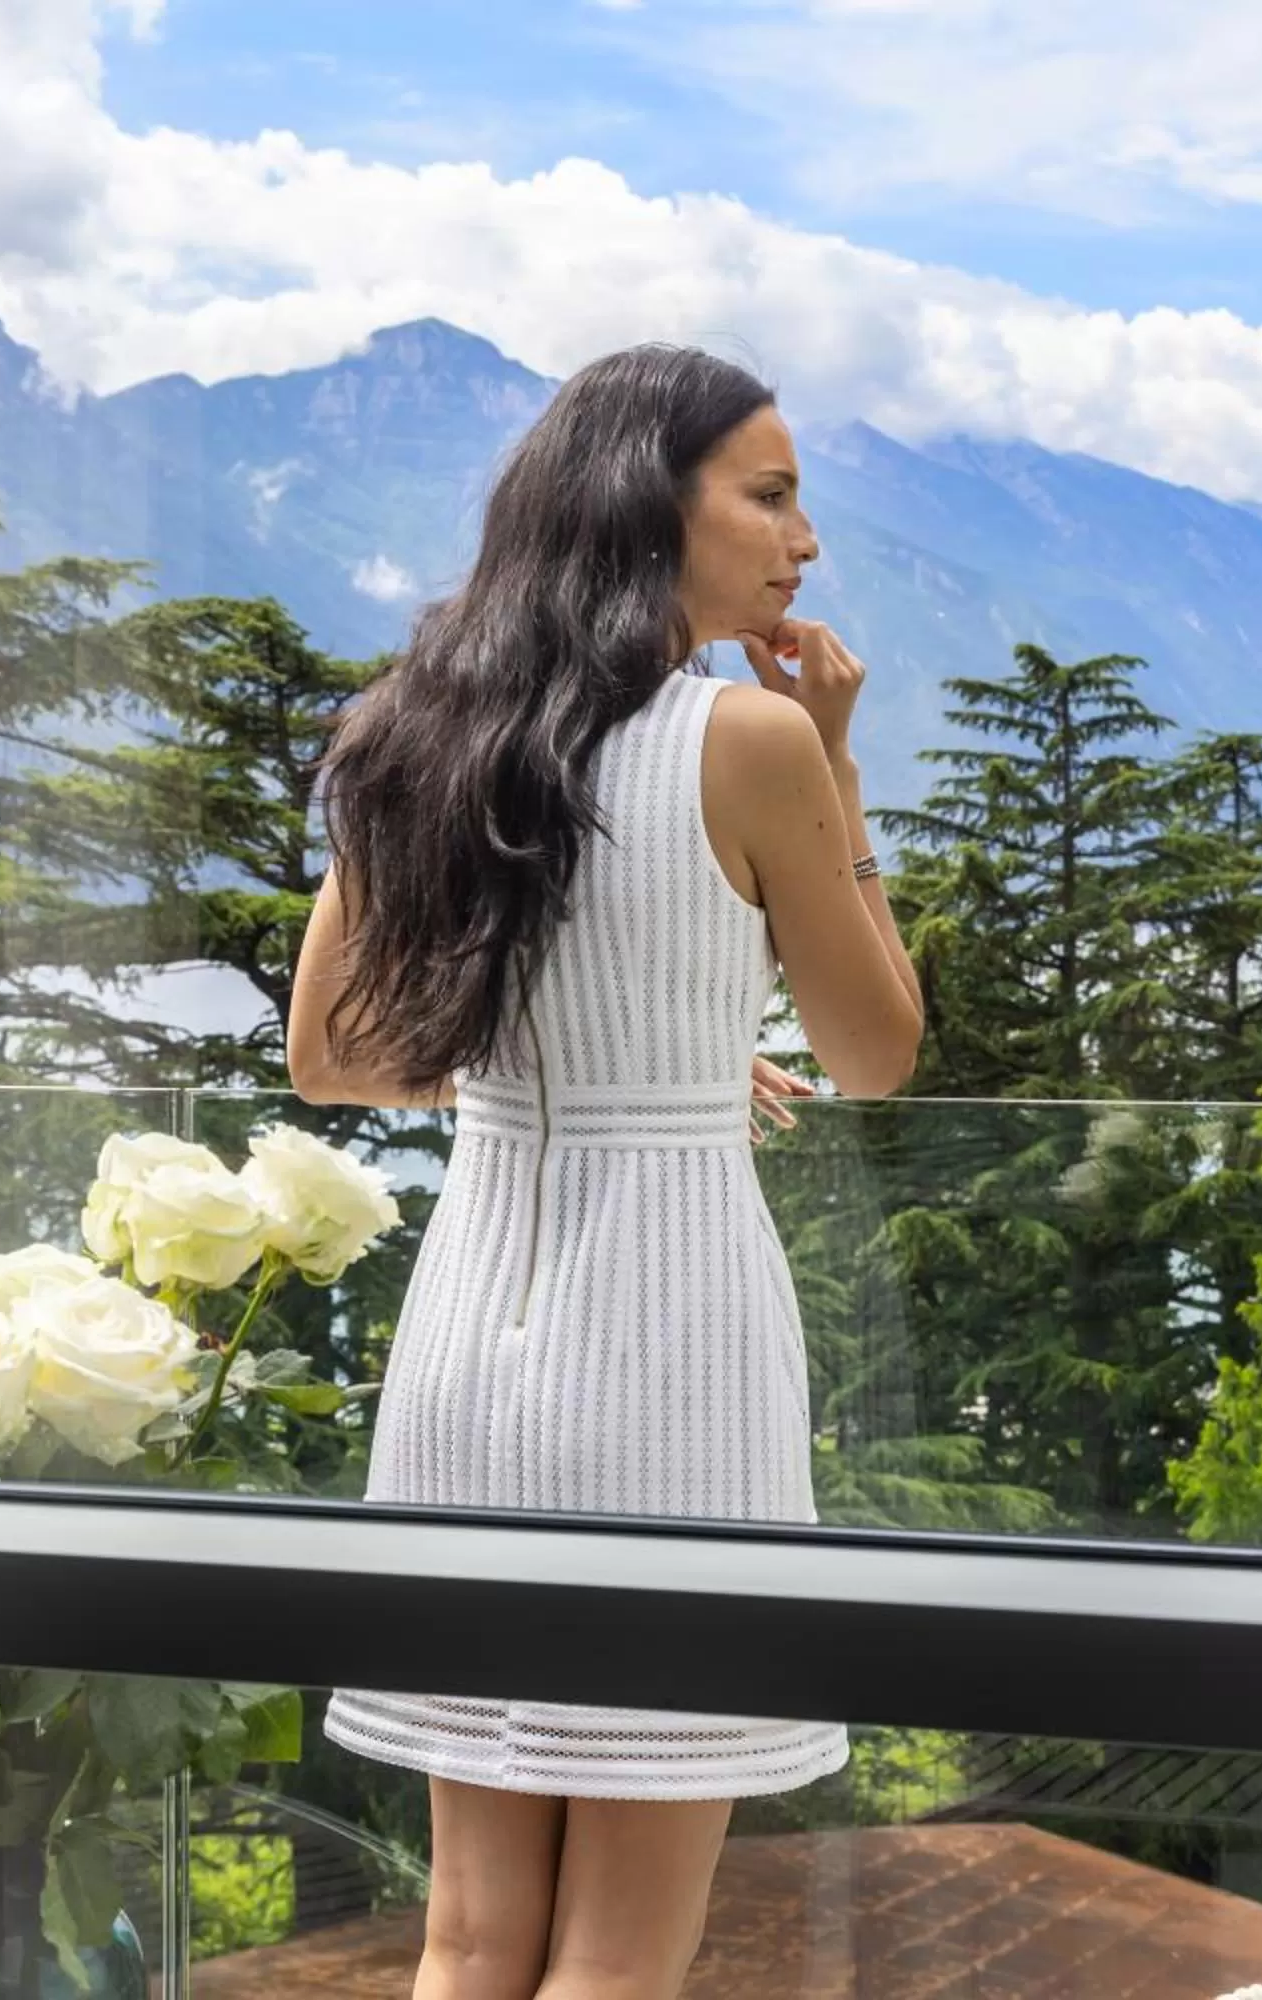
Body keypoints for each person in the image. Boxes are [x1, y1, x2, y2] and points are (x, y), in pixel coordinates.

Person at [285, 344, 925, 2000]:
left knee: (471, 1934)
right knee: (625, 1958)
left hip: (463, 1355)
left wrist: (591, 1072)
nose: (805, 540)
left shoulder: (416, 726)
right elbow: (877, 1054)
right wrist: (841, 766)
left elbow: (331, 1057)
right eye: (770, 496)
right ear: (652, 504)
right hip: (669, 1357)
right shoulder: (754, 739)